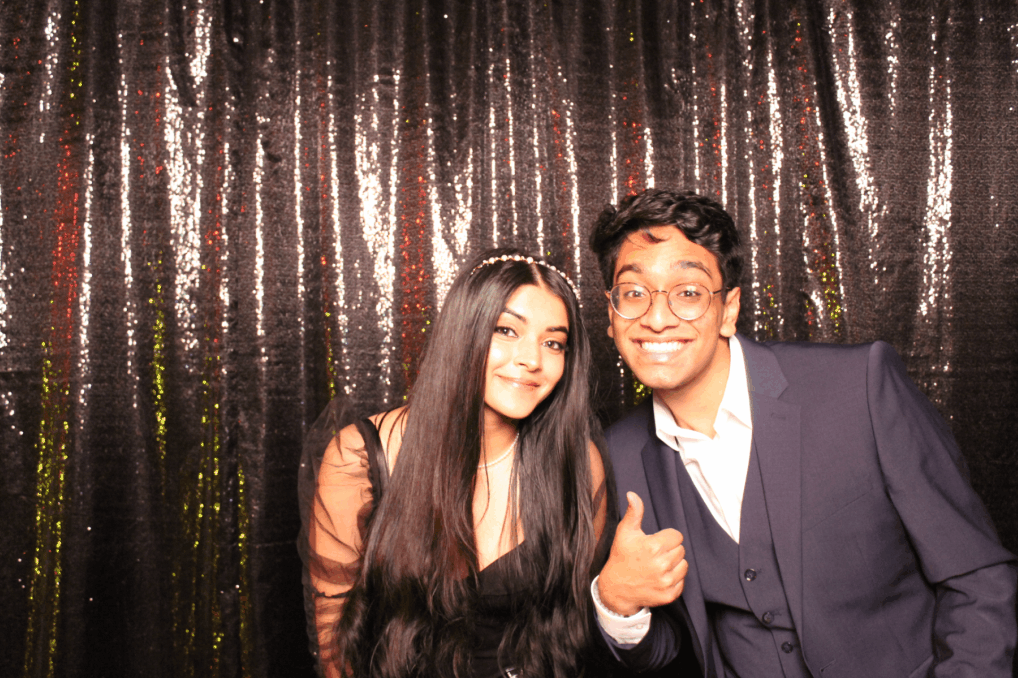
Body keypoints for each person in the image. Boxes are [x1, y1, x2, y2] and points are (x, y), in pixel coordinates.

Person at [587, 188, 1017, 677]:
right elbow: (668, 652)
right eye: (634, 293)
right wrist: (616, 603)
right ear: (611, 315)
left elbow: (978, 579)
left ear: (729, 310)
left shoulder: (859, 388)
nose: (657, 318)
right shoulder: (617, 455)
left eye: (688, 292)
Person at [298, 248, 613, 678]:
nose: (532, 360)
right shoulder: (361, 455)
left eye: (553, 342)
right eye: (506, 330)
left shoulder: (577, 463)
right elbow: (335, 637)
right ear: (464, 330)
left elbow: (572, 631)